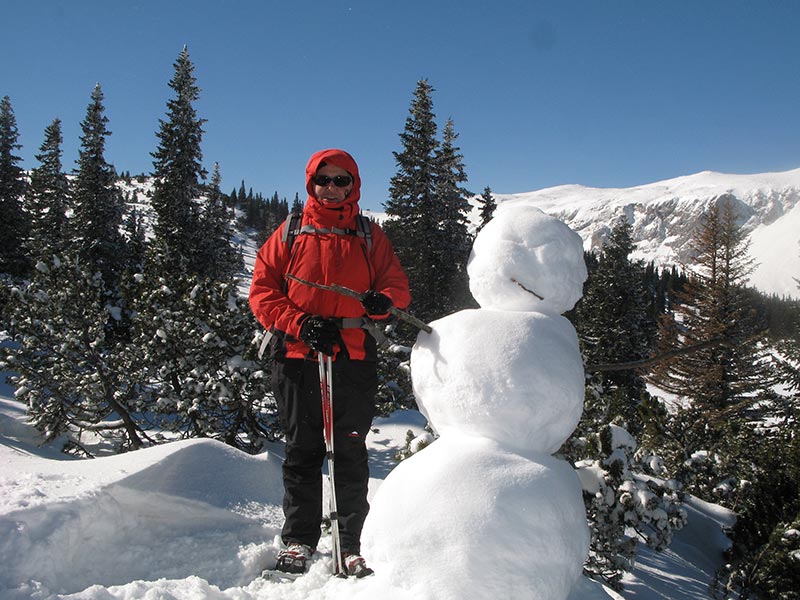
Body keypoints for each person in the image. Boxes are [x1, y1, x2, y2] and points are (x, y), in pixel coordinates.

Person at [249, 148, 411, 577]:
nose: (332, 188)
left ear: (354, 185)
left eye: (342, 180)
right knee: (303, 450)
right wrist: (300, 324)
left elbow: (397, 286)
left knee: (349, 450)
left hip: (353, 355)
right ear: (311, 184)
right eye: (325, 180)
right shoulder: (289, 232)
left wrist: (383, 301)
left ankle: (352, 543)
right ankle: (300, 540)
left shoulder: (370, 236)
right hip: (298, 355)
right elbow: (263, 292)